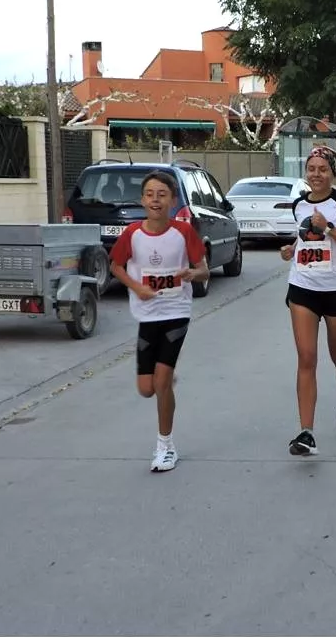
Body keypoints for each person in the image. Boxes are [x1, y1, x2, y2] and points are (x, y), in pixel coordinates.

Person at [108, 171, 209, 472]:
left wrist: (193, 274)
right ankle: (165, 380)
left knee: (161, 382)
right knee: (146, 389)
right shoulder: (132, 234)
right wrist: (137, 287)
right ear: (142, 200)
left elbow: (203, 269)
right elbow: (115, 266)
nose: (155, 200)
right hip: (146, 314)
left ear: (173, 200)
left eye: (162, 195)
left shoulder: (183, 232)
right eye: (150, 194)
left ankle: (165, 447)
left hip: (176, 312)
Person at [279, 146, 336, 456]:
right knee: (306, 358)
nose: (316, 174)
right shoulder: (299, 205)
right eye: (311, 168)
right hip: (302, 287)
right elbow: (304, 236)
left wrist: (329, 228)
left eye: (322, 169)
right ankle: (306, 433)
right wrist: (292, 249)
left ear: (332, 173)